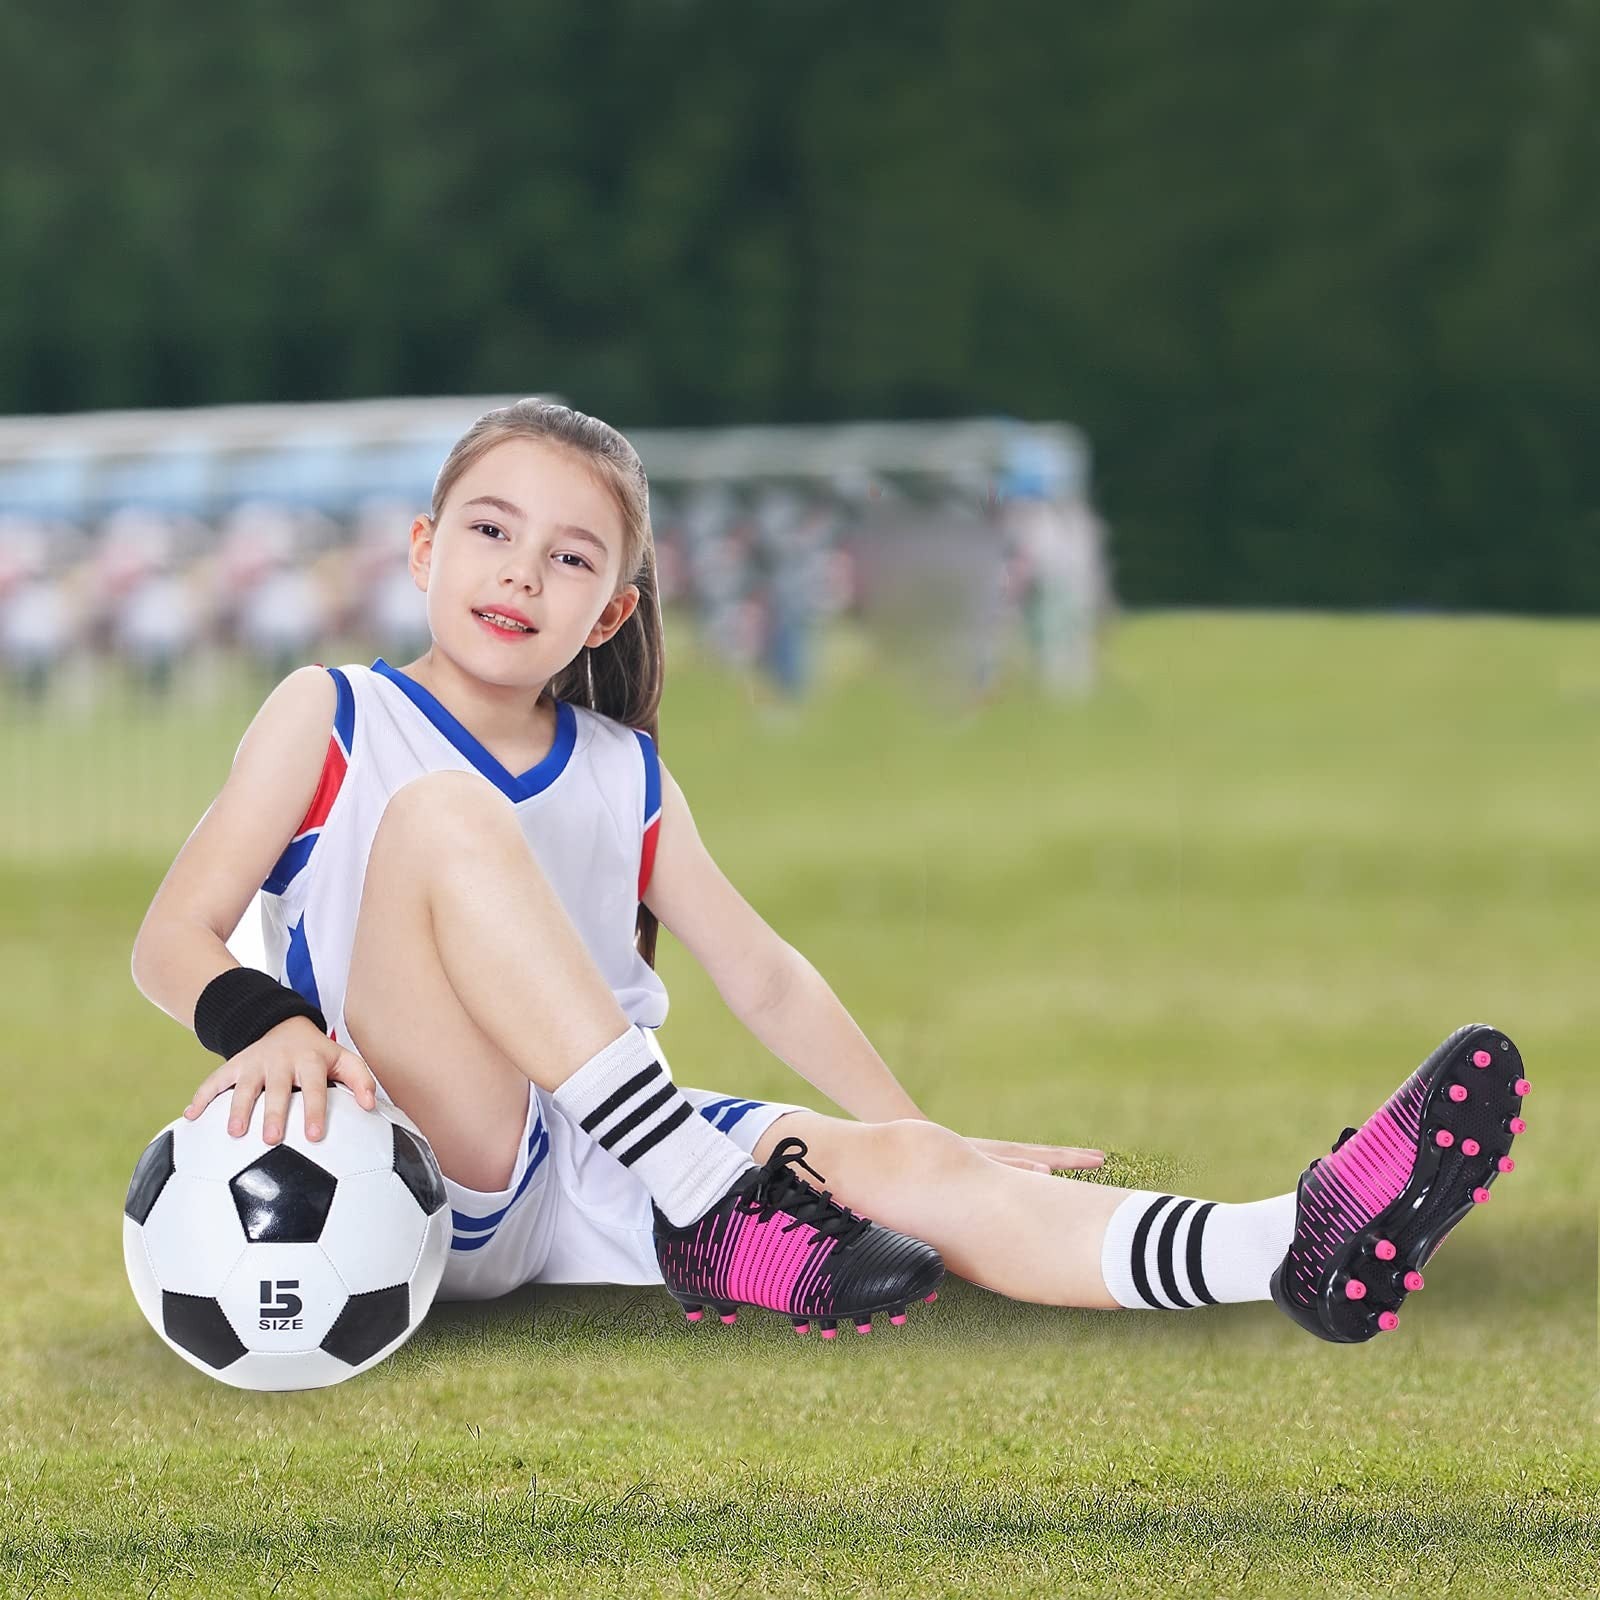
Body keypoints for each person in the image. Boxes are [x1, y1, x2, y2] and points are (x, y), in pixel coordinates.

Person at [130, 400, 1528, 1345]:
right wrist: (274, 1023)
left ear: (610, 608)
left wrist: (924, 1132)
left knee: (915, 1170)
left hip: (596, 1165)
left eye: (570, 557)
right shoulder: (333, 715)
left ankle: (1288, 1248)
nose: (521, 573)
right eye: (490, 531)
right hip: (425, 1157)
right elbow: (172, 940)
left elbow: (764, 974)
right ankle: (705, 1196)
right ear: (426, 550)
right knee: (443, 822)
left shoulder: (623, 774)